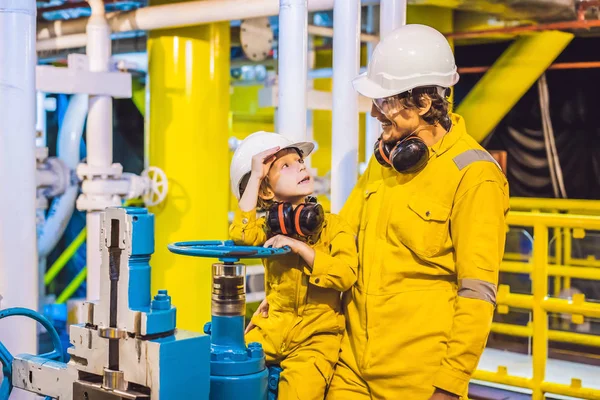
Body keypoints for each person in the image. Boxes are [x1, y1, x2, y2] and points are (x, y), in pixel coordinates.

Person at [324, 24, 510, 400]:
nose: (376, 112)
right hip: (350, 367)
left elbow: (477, 292)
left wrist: (450, 385)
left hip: (417, 382)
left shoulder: (475, 176)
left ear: (424, 104)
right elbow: (341, 234)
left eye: (386, 101)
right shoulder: (389, 159)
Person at [229, 131, 358, 400]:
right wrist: (255, 175)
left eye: (299, 161)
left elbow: (345, 275)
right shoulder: (267, 230)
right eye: (285, 165)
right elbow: (241, 237)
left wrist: (300, 247)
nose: (300, 166)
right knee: (227, 373)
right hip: (271, 328)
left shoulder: (335, 227)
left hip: (316, 340)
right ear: (266, 189)